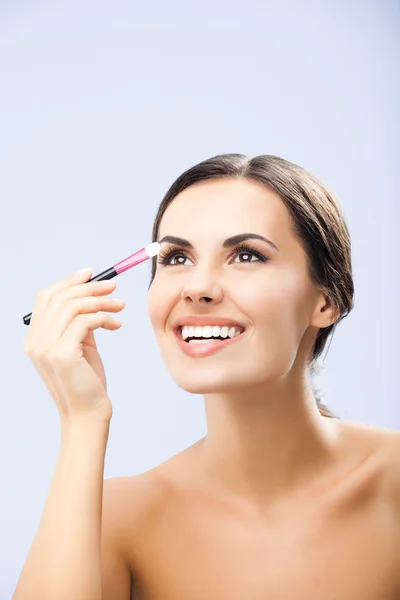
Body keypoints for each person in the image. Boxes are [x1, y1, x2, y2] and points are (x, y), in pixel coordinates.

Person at [13, 154, 400, 600]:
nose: (197, 287)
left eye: (247, 255)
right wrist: (81, 421)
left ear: (326, 301)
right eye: (177, 257)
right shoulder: (116, 519)